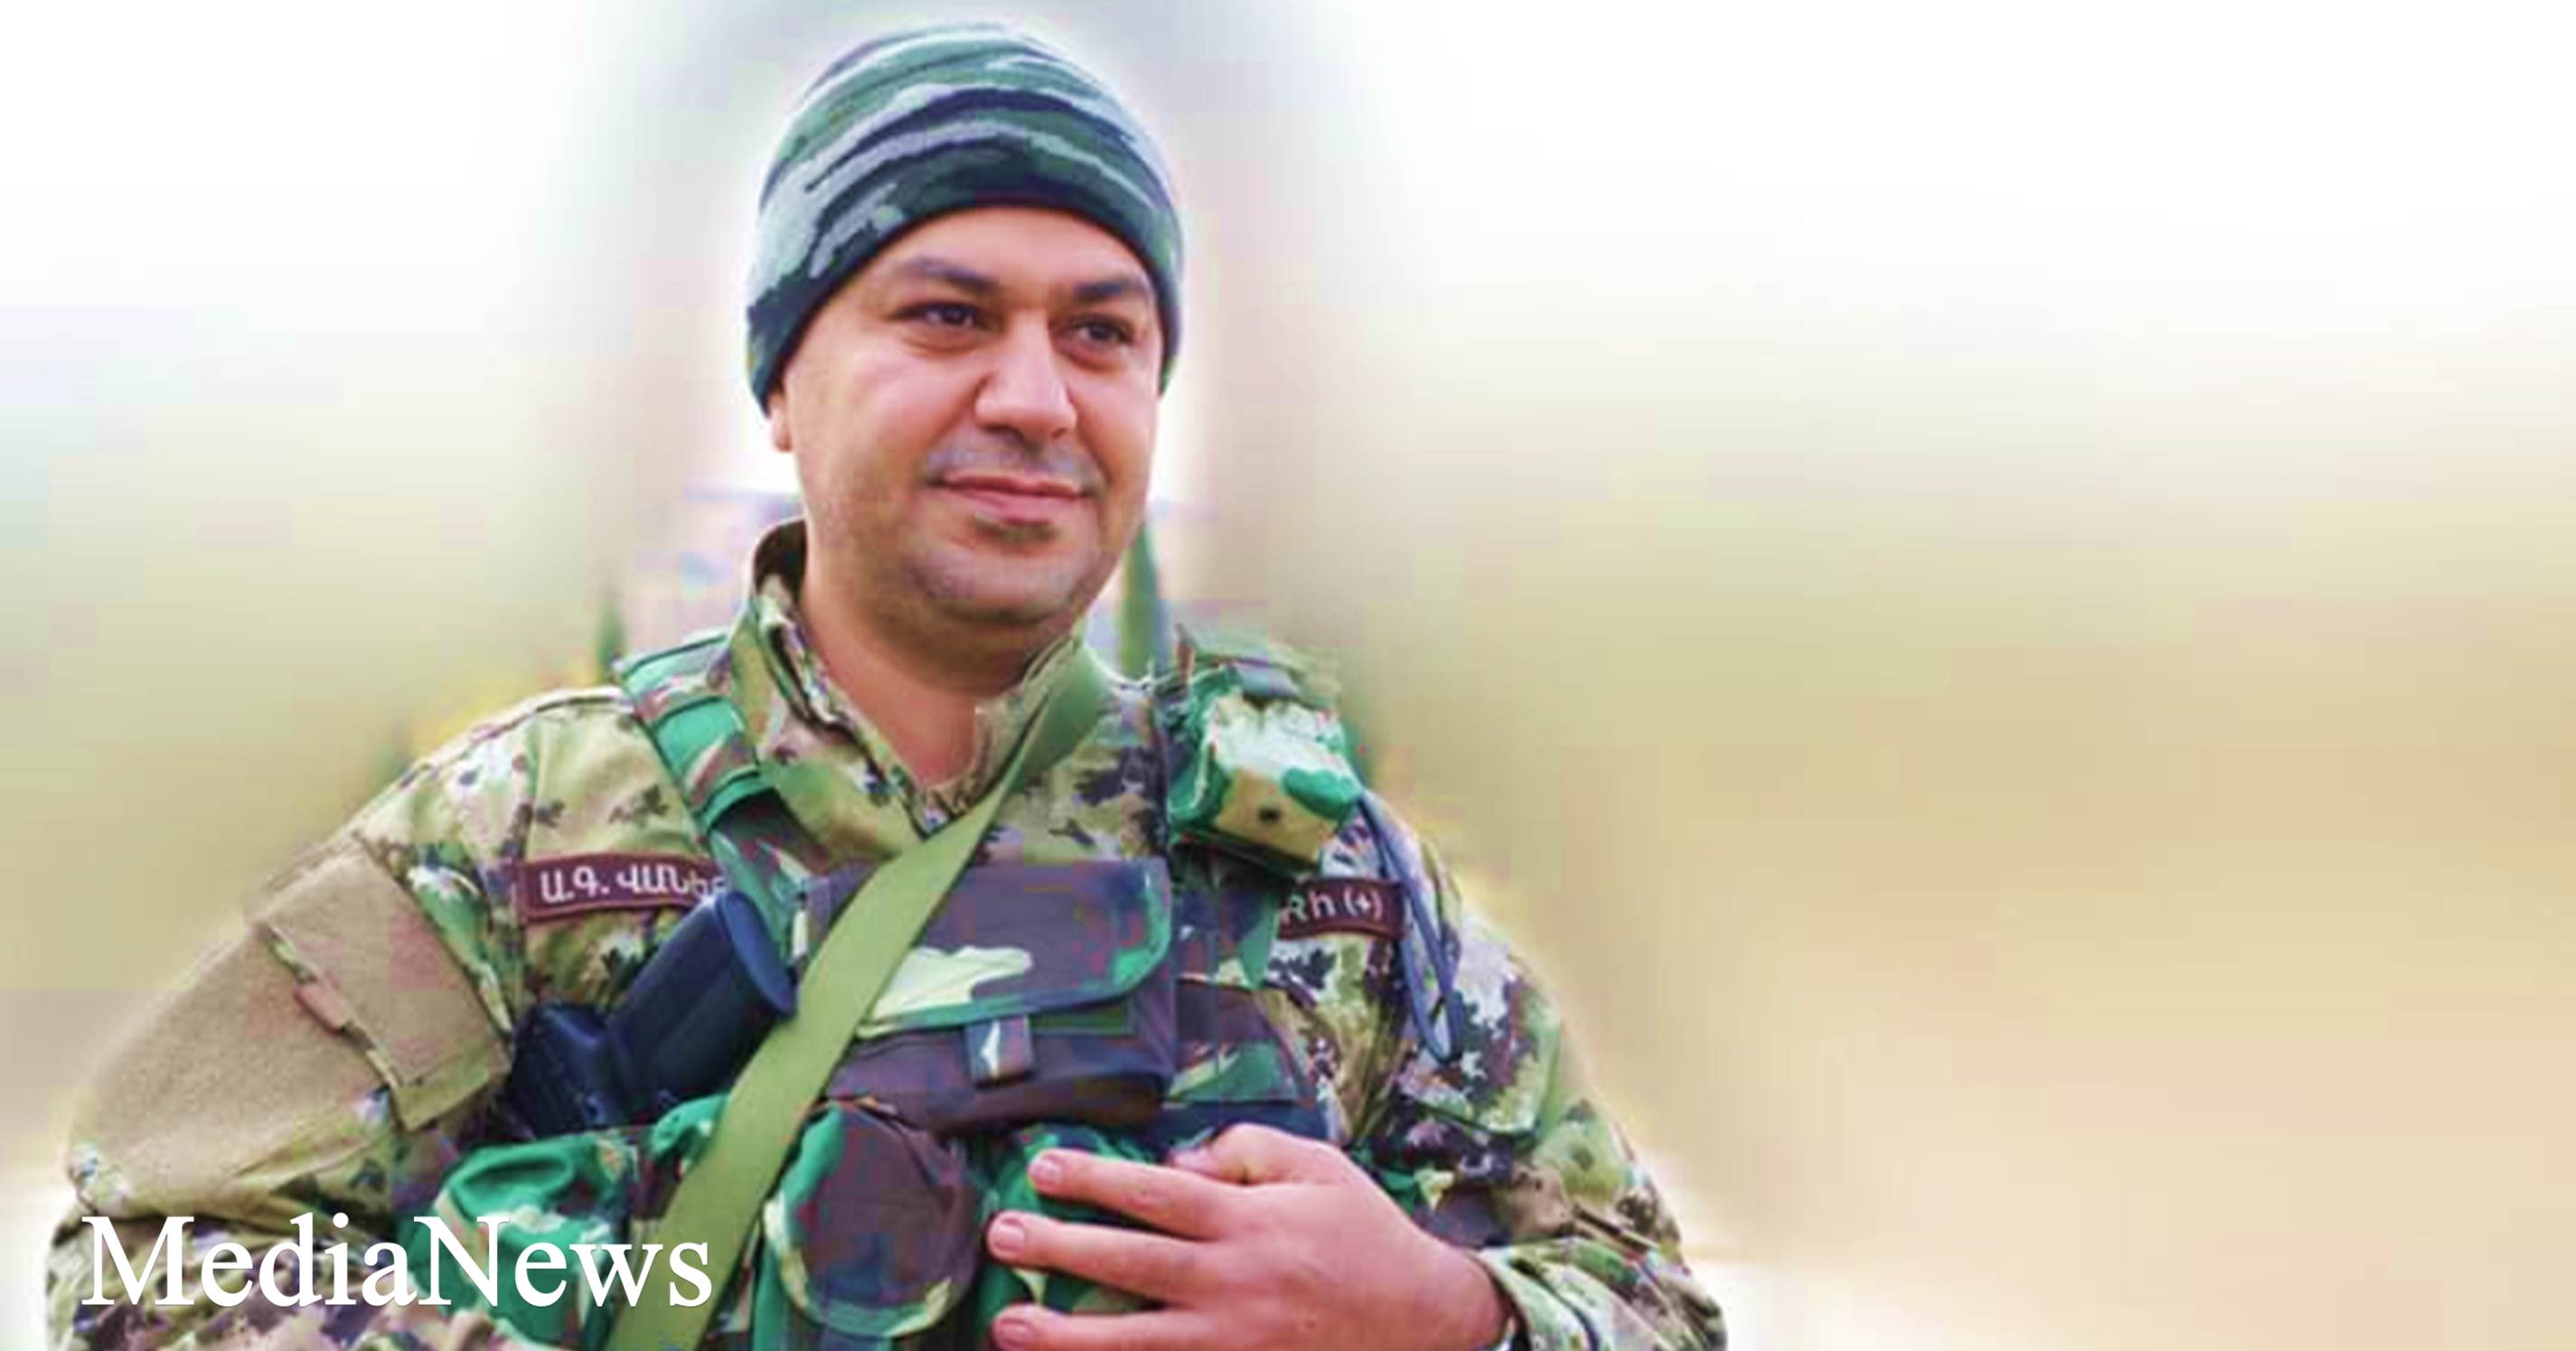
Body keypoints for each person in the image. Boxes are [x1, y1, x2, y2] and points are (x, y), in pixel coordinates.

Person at [47, 23, 1725, 1351]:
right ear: (784, 383)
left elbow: (1652, 1302)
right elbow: (145, 1258)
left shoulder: (1328, 870)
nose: (1035, 399)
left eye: (1101, 334)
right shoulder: (522, 831)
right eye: (946, 316)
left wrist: (1443, 1314)